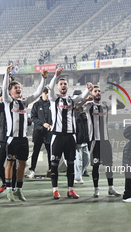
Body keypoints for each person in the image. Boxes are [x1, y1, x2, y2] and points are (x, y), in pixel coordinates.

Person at [2, 64, 48, 202]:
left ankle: (19, 189)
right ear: (10, 91)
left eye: (19, 88)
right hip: (11, 138)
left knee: (22, 164)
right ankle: (9, 189)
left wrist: (44, 79)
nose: (18, 89)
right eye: (15, 88)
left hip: (23, 139)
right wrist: (6, 74)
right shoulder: (8, 101)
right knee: (10, 163)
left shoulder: (24, 102)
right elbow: (4, 88)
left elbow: (37, 92)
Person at [48, 67, 93, 199]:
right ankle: (55, 189)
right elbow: (50, 89)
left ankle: (70, 189)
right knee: (54, 164)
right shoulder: (54, 98)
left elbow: (81, 97)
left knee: (71, 164)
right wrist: (55, 76)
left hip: (70, 137)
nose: (63, 85)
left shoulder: (71, 99)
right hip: (57, 136)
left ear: (67, 87)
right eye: (61, 84)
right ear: (57, 87)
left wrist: (88, 89)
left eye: (65, 84)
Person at [81, 86, 124, 197]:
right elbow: (76, 108)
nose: (98, 92)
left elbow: (122, 105)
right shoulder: (89, 106)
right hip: (94, 141)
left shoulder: (105, 105)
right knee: (96, 166)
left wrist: (115, 99)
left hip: (106, 140)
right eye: (95, 91)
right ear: (92, 94)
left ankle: (111, 188)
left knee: (109, 165)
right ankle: (96, 189)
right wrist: (86, 99)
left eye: (99, 91)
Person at [27, 87, 52, 179]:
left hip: (49, 132)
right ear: (41, 94)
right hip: (38, 131)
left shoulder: (52, 104)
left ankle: (51, 170)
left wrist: (51, 125)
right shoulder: (36, 105)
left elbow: (55, 117)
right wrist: (43, 124)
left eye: (48, 93)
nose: (47, 95)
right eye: (45, 93)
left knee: (50, 152)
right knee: (36, 152)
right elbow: (33, 117)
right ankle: (32, 170)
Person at [74, 112, 90, 184]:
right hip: (78, 144)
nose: (85, 114)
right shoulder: (76, 120)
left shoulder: (88, 120)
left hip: (85, 143)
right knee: (78, 162)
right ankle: (77, 178)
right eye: (84, 113)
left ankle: (78, 174)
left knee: (87, 160)